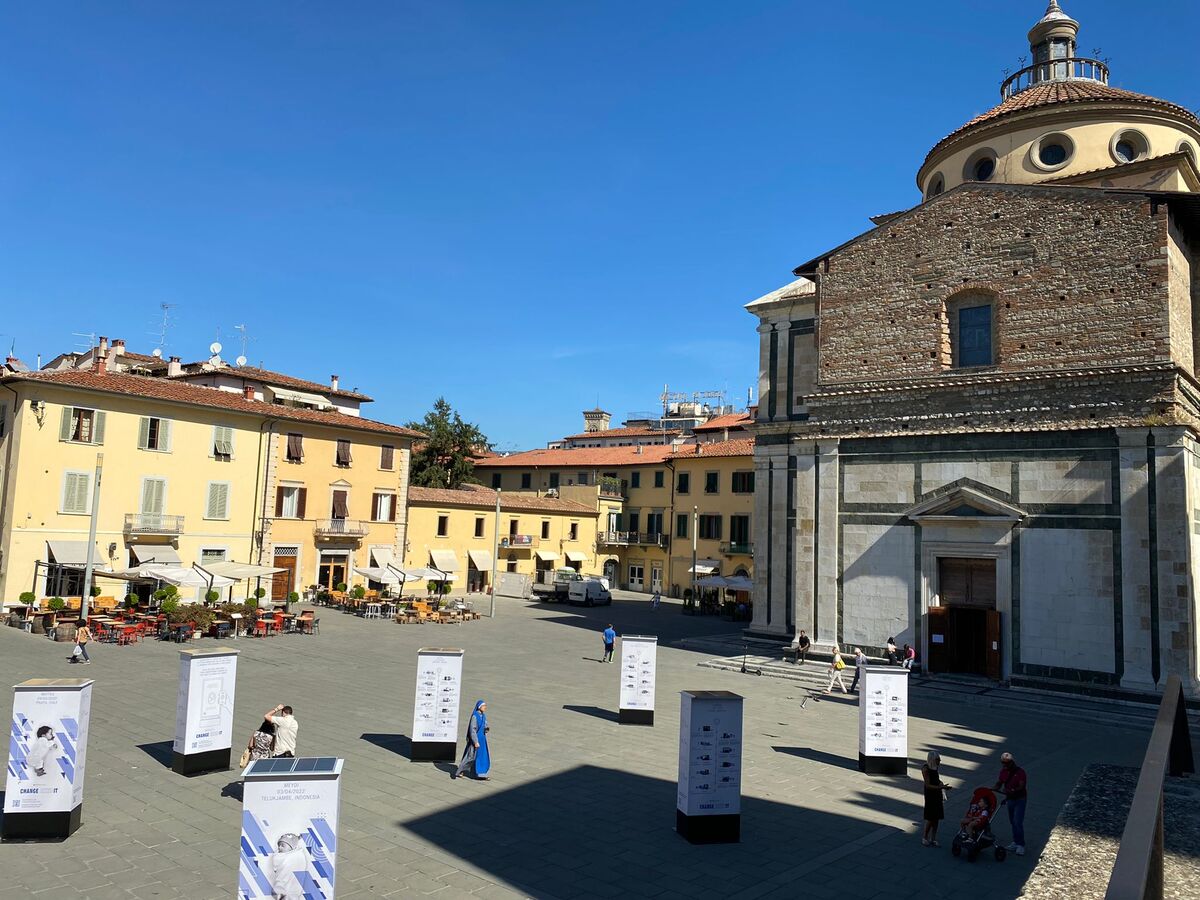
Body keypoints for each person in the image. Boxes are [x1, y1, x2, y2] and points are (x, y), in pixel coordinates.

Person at [993, 751, 1028, 856]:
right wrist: (994, 788)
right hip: (1010, 799)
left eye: (1006, 763)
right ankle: (1015, 842)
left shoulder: (1020, 772)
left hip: (1020, 799)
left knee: (1018, 821)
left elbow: (1021, 786)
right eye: (1002, 763)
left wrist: (1011, 790)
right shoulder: (1003, 771)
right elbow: (999, 782)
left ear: (1012, 762)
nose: (1004, 765)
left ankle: (1021, 845)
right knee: (1013, 821)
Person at [454, 700, 491, 780]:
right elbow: (472, 730)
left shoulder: (483, 716)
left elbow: (485, 724)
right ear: (479, 707)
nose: (485, 707)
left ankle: (482, 774)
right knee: (470, 757)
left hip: (482, 740)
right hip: (476, 740)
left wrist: (486, 728)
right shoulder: (475, 716)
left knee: (482, 757)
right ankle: (460, 771)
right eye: (484, 706)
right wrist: (475, 741)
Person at [921, 750, 952, 846]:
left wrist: (941, 783)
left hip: (937, 792)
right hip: (930, 794)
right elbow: (928, 785)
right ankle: (925, 836)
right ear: (932, 760)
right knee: (931, 817)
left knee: (937, 817)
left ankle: (933, 838)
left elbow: (936, 779)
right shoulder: (925, 769)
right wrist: (941, 787)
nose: (940, 761)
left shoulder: (935, 767)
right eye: (938, 759)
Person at [267, 832, 309, 899]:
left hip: (292, 885)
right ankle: (281, 892)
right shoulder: (279, 856)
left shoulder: (296, 855)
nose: (280, 847)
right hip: (282, 883)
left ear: (291, 847)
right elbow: (278, 866)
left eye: (283, 845)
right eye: (279, 845)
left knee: (291, 891)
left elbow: (299, 865)